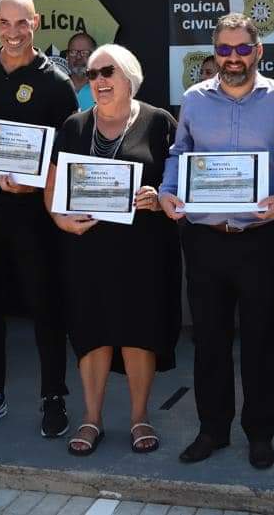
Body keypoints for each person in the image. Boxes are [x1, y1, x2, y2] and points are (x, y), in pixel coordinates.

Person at [160, 13, 274, 470]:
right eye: (225, 49)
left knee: (262, 341)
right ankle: (212, 430)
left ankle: (261, 433)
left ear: (258, 51)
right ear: (214, 53)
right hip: (205, 237)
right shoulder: (195, 100)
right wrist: (166, 192)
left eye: (242, 49)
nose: (233, 58)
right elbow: (180, 153)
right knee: (209, 341)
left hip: (259, 237)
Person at [44, 44, 181, 456]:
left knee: (140, 331)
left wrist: (159, 197)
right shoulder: (73, 125)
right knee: (91, 331)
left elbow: (177, 181)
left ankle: (140, 417)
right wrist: (58, 219)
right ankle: (92, 418)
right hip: (88, 249)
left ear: (130, 77)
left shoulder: (160, 122)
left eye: (108, 72)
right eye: (92, 74)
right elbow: (53, 182)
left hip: (145, 250)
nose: (99, 81)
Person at [0, 0, 78, 437]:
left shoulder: (55, 82)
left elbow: (69, 151)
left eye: (21, 23)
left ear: (36, 23)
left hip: (30, 215)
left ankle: (54, 397)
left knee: (44, 304)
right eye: (4, 23)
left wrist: (38, 179)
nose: (12, 33)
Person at [66, 32, 97, 111]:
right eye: (73, 52)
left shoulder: (102, 88)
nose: (78, 57)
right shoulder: (57, 87)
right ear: (67, 56)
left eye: (85, 53)